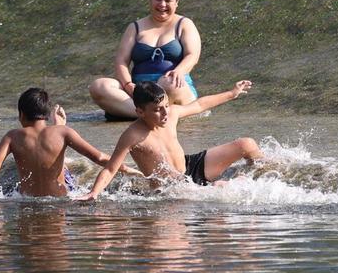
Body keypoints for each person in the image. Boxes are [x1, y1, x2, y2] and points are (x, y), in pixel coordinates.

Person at [79, 80, 263, 201]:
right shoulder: (132, 135)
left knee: (247, 144)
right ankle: (231, 183)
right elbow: (111, 168)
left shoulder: (171, 114)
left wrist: (232, 93)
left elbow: (199, 104)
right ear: (140, 112)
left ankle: (268, 171)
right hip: (171, 189)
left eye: (166, 106)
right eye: (158, 109)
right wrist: (94, 192)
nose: (166, 113)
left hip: (191, 166)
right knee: (220, 189)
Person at [0, 88, 141, 197]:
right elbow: (98, 157)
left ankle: (58, 128)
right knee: (60, 160)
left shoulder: (12, 136)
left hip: (26, 199)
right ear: (47, 114)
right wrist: (125, 168)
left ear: (21, 114)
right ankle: (58, 125)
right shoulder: (65, 132)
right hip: (61, 198)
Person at [89, 0, 201, 120]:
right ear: (150, 0)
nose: (162, 4)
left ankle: (146, 113)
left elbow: (193, 55)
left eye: (168, 0)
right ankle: (146, 113)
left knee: (167, 83)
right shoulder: (135, 27)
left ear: (177, 3)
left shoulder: (184, 24)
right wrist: (129, 85)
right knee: (99, 86)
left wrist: (178, 71)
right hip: (140, 91)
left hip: (174, 88)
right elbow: (121, 61)